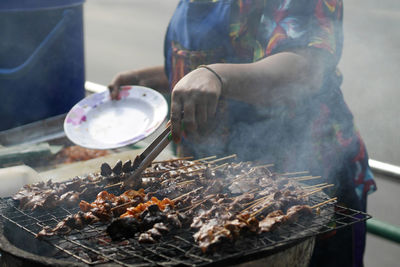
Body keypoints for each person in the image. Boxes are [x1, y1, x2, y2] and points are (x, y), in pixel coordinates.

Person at [109, 1, 376, 266]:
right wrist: (152, 78)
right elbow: (233, 56)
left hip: (305, 171)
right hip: (217, 185)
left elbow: (306, 68)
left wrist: (216, 76)